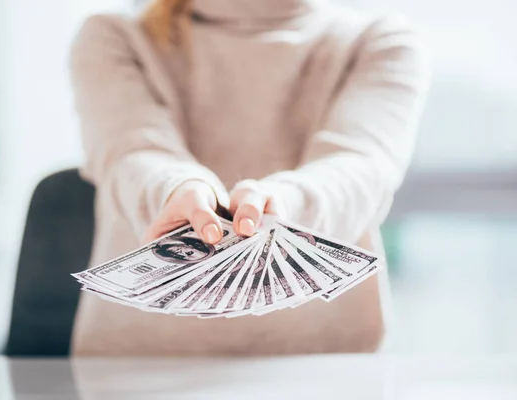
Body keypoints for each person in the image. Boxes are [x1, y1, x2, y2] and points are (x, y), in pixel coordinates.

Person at [69, 0, 429, 356]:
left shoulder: (378, 41)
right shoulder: (114, 35)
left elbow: (359, 166)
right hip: (135, 362)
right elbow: (130, 150)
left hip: (323, 360)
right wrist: (177, 189)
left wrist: (285, 203)